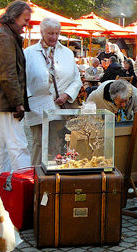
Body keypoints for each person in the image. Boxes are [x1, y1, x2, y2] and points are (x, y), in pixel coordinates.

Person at [24, 18, 82, 166]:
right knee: (39, 143)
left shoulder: (67, 53)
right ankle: (35, 175)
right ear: (42, 32)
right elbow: (21, 80)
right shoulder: (29, 53)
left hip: (61, 108)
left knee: (59, 143)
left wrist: (67, 94)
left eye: (57, 33)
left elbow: (77, 79)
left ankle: (57, 175)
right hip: (38, 107)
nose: (54, 37)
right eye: (50, 33)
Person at [0, 0, 32, 174]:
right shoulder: (4, 37)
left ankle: (0, 184)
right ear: (14, 17)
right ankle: (24, 183)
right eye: (25, 20)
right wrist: (17, 102)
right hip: (6, 101)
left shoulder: (5, 35)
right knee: (17, 145)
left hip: (1, 100)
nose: (27, 24)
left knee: (1, 146)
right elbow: (8, 74)